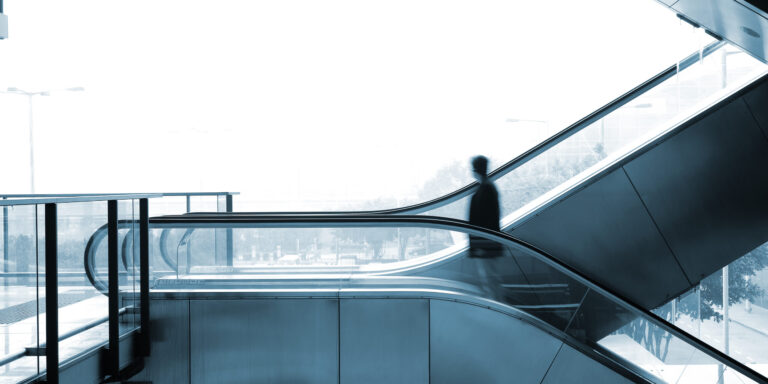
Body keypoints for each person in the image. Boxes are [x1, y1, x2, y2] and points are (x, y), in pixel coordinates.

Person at [467, 155, 504, 299]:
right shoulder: (488, 187)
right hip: (487, 244)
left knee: (490, 279)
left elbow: (484, 219)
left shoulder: (485, 189)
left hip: (485, 245)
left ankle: (497, 307)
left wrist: (480, 245)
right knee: (490, 278)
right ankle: (496, 306)